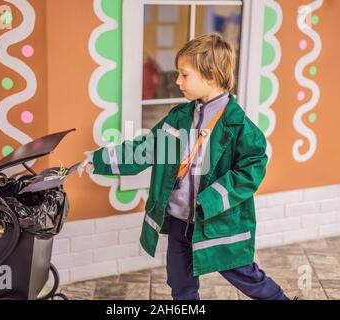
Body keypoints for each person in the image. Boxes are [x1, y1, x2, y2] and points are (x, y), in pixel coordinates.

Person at [81, 34, 293, 300]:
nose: (177, 81)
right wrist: (99, 159)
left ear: (211, 75)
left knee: (248, 277)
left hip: (219, 223)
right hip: (181, 221)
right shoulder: (179, 118)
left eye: (184, 75)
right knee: (180, 284)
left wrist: (212, 198)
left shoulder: (241, 128)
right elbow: (147, 148)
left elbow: (250, 171)